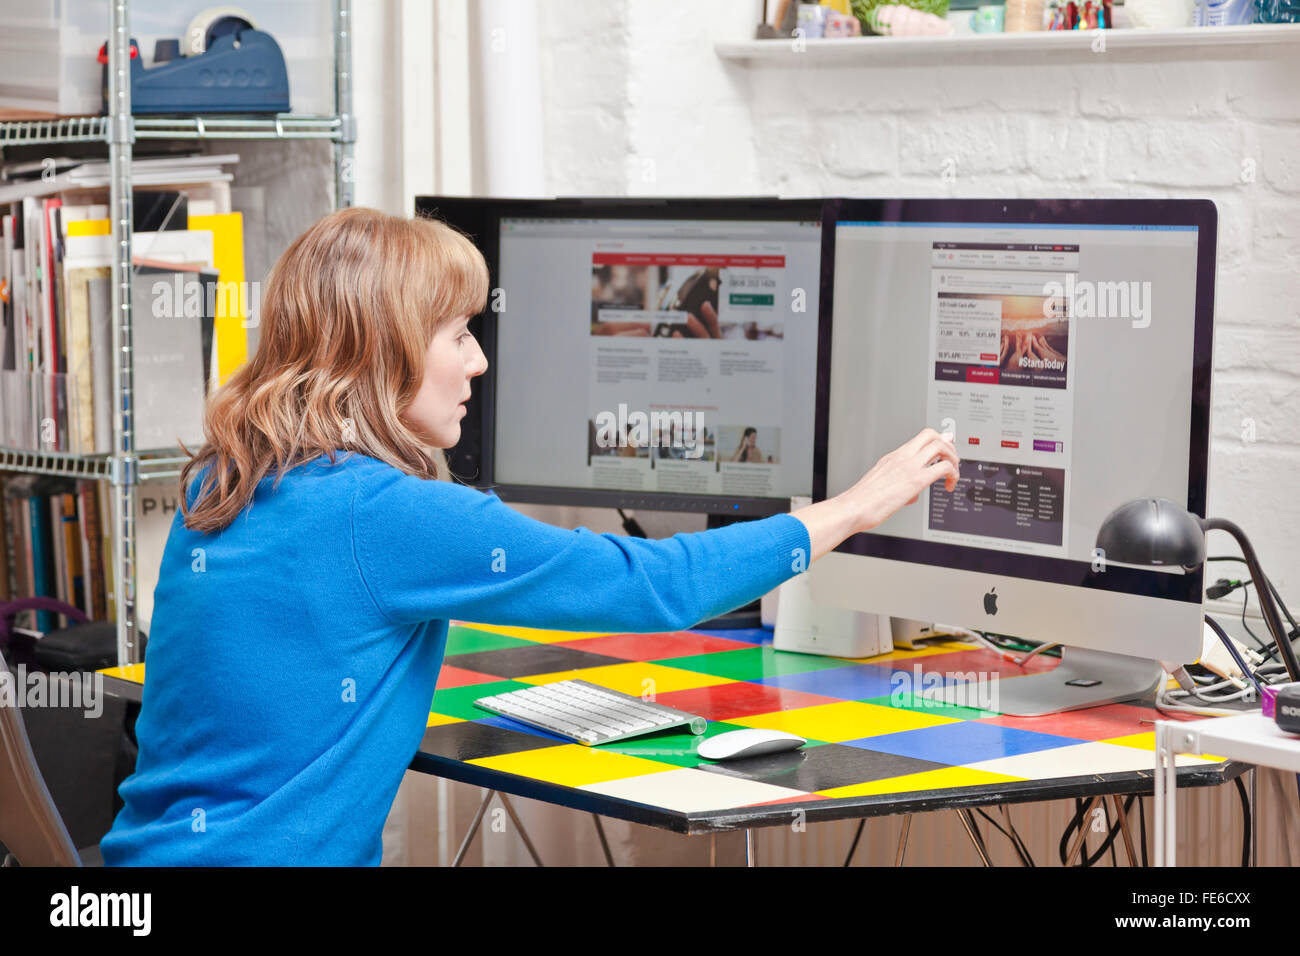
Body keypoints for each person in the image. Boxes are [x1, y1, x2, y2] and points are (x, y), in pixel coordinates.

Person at [100, 207, 959, 866]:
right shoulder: (388, 514)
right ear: (386, 349)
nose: (477, 362)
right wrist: (851, 506)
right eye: (458, 335)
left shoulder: (227, 475)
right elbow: (650, 586)